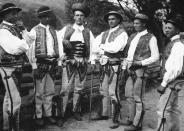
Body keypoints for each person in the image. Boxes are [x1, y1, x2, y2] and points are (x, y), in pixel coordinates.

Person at [90, 11, 128, 129]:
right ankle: (103, 113)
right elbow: (94, 47)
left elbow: (115, 48)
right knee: (103, 90)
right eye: (109, 19)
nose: (111, 21)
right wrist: (100, 51)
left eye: (113, 19)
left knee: (113, 92)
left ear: (118, 20)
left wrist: (101, 48)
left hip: (114, 66)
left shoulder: (122, 34)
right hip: (103, 65)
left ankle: (115, 118)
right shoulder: (104, 33)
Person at [27, 6, 64, 127]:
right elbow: (31, 50)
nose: (47, 18)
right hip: (40, 64)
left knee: (50, 91)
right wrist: (34, 66)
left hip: (52, 65)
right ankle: (38, 115)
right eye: (44, 16)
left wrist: (59, 63)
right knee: (39, 93)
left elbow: (60, 48)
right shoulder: (34, 31)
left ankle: (48, 115)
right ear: (40, 18)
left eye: (48, 16)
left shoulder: (54, 32)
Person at [122, 13, 159, 131]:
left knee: (138, 98)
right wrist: (125, 66)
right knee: (129, 95)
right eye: (134, 23)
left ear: (144, 24)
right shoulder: (132, 36)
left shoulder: (151, 37)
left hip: (140, 71)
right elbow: (128, 55)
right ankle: (131, 118)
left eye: (137, 23)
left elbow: (155, 57)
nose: (135, 25)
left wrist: (141, 63)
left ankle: (137, 124)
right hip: (129, 69)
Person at [58, 2, 94, 122]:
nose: (79, 17)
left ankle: (76, 110)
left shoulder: (88, 32)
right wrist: (62, 56)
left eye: (81, 15)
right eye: (77, 15)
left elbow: (93, 48)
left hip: (82, 63)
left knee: (79, 88)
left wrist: (91, 61)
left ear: (84, 18)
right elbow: (58, 44)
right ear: (74, 16)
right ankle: (61, 115)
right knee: (65, 89)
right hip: (69, 63)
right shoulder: (66, 29)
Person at [0, 3, 30, 131]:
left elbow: (27, 42)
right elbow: (17, 48)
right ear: (5, 15)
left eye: (16, 12)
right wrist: (24, 43)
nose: (16, 15)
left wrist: (23, 35)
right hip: (8, 69)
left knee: (9, 100)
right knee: (15, 101)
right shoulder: (3, 30)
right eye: (12, 13)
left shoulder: (15, 29)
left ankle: (8, 128)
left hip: (15, 67)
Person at [156, 15, 184, 131]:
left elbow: (175, 68)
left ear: (177, 30)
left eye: (170, 28)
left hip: (172, 82)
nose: (166, 30)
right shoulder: (173, 42)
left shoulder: (177, 44)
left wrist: (163, 83)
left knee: (162, 109)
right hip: (175, 82)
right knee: (173, 110)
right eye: (165, 27)